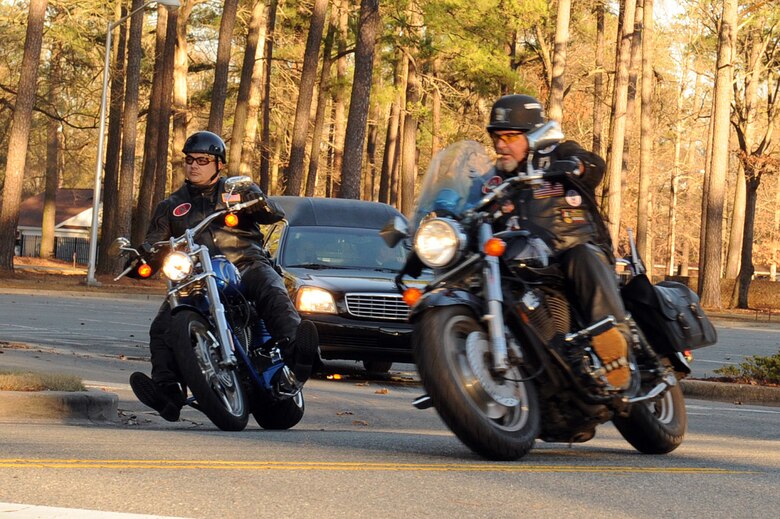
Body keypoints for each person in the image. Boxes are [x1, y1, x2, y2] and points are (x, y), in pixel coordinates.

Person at [129, 130, 318, 421]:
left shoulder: (235, 190)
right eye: (189, 160)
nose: (194, 166)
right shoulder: (171, 206)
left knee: (271, 288)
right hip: (198, 275)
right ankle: (167, 391)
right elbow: (155, 243)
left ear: (218, 163)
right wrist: (140, 257)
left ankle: (297, 354)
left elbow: (272, 214)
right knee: (163, 322)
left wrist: (257, 201)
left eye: (202, 160)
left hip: (244, 262)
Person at [481, 94, 630, 389]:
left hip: (573, 251)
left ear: (533, 136)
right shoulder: (495, 181)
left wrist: (578, 166)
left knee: (580, 257)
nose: (500, 144)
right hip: (527, 266)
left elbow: (593, 166)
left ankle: (613, 339)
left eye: (510, 136)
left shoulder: (559, 154)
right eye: (497, 137)